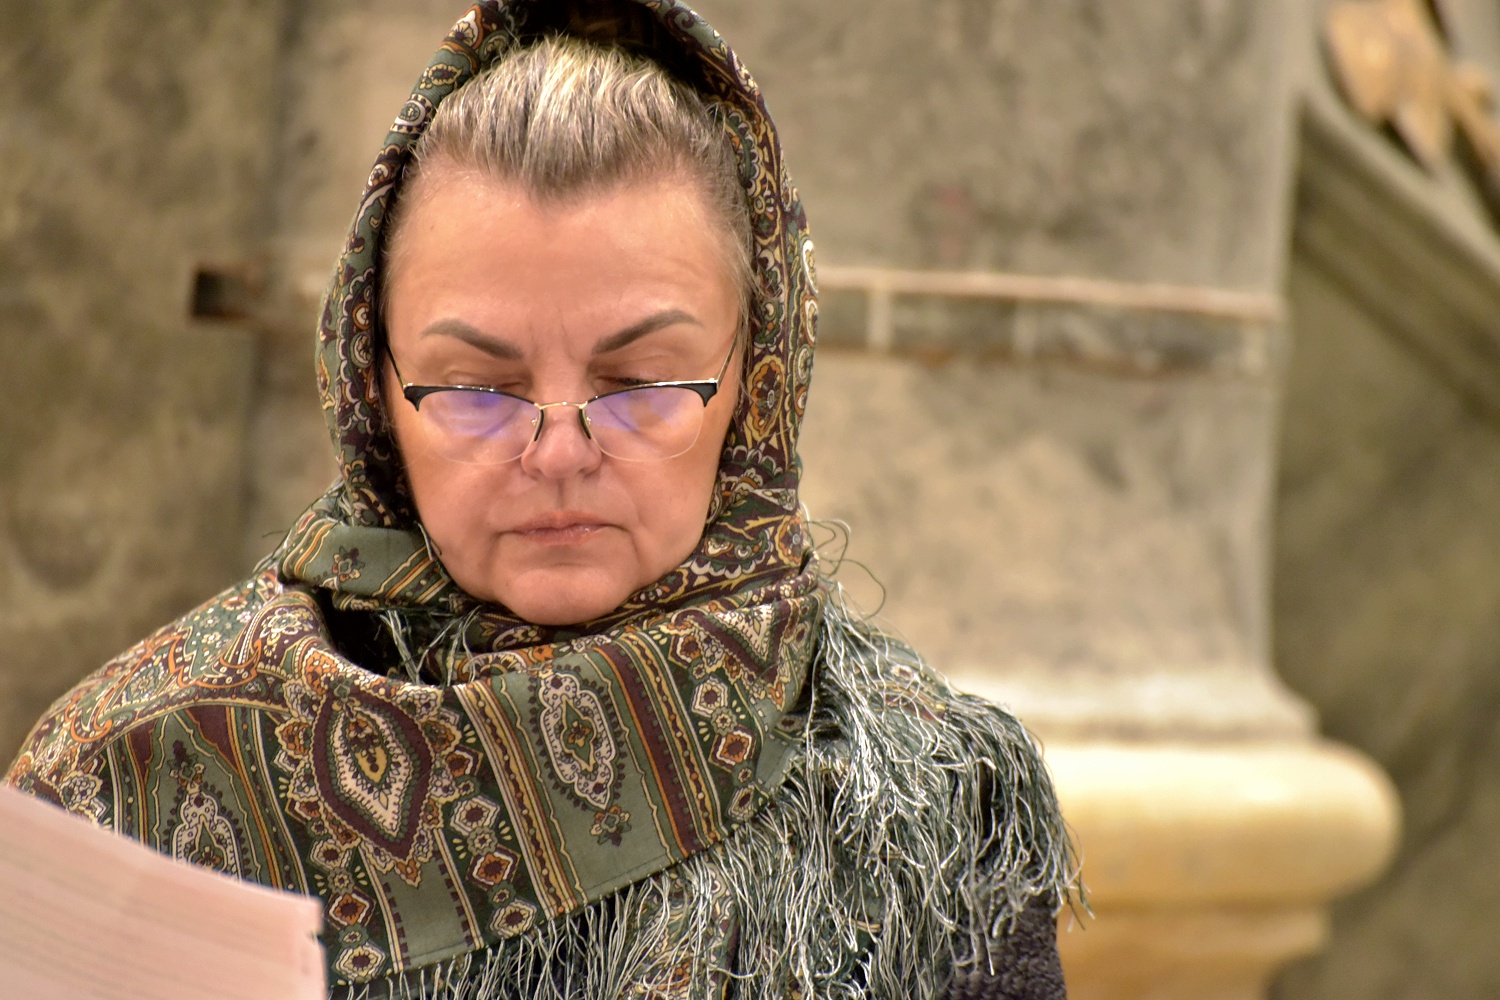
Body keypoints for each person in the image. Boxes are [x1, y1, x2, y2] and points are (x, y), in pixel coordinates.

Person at [6, 1, 1075, 997]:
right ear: (371, 387)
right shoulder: (132, 783)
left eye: (640, 382)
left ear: (758, 380)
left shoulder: (934, 810)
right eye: (477, 387)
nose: (558, 452)